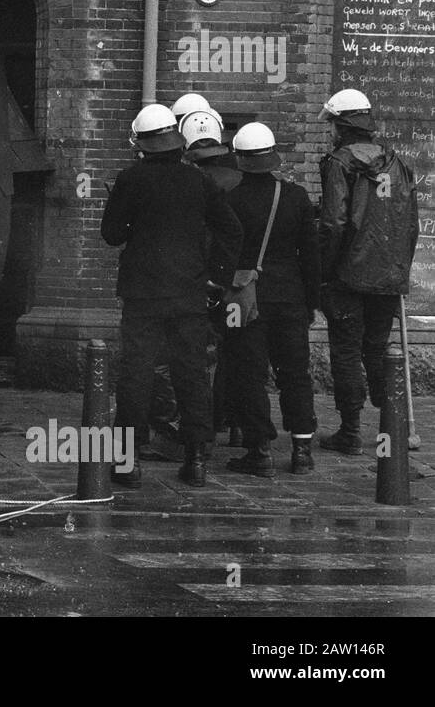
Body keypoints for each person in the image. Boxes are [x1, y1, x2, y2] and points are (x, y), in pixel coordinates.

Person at [101, 104, 242, 488]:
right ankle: (197, 459)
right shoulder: (198, 181)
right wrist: (217, 277)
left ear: (140, 144)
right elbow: (231, 230)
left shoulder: (130, 180)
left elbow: (112, 234)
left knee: (135, 375)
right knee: (192, 375)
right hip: (188, 294)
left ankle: (127, 461)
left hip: (142, 295)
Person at [317, 89, 420, 455]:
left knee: (346, 350)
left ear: (341, 125)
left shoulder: (339, 163)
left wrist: (324, 272)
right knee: (376, 349)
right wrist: (399, 268)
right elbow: (410, 224)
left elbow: (333, 223)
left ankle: (350, 430)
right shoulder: (397, 162)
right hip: (386, 276)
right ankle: (389, 424)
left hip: (347, 275)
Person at [223, 124, 320, 476]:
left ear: (240, 159)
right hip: (292, 297)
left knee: (248, 372)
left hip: (246, 301)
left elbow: (222, 253)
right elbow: (311, 255)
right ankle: (302, 448)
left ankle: (259, 449)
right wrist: (311, 303)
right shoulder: (295, 197)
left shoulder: (231, 200)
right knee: (295, 373)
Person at [180, 107, 244, 446]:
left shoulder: (187, 182)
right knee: (233, 350)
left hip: (195, 278)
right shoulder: (239, 180)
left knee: (196, 354)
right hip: (234, 280)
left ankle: (199, 425)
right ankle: (230, 421)